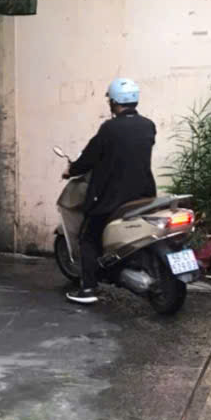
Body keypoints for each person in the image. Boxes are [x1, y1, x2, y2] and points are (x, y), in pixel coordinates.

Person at [64, 78, 157, 305]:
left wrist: (71, 170)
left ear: (114, 101)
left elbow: (90, 157)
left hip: (113, 197)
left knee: (88, 237)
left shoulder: (109, 128)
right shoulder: (148, 125)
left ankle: (88, 288)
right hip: (144, 194)